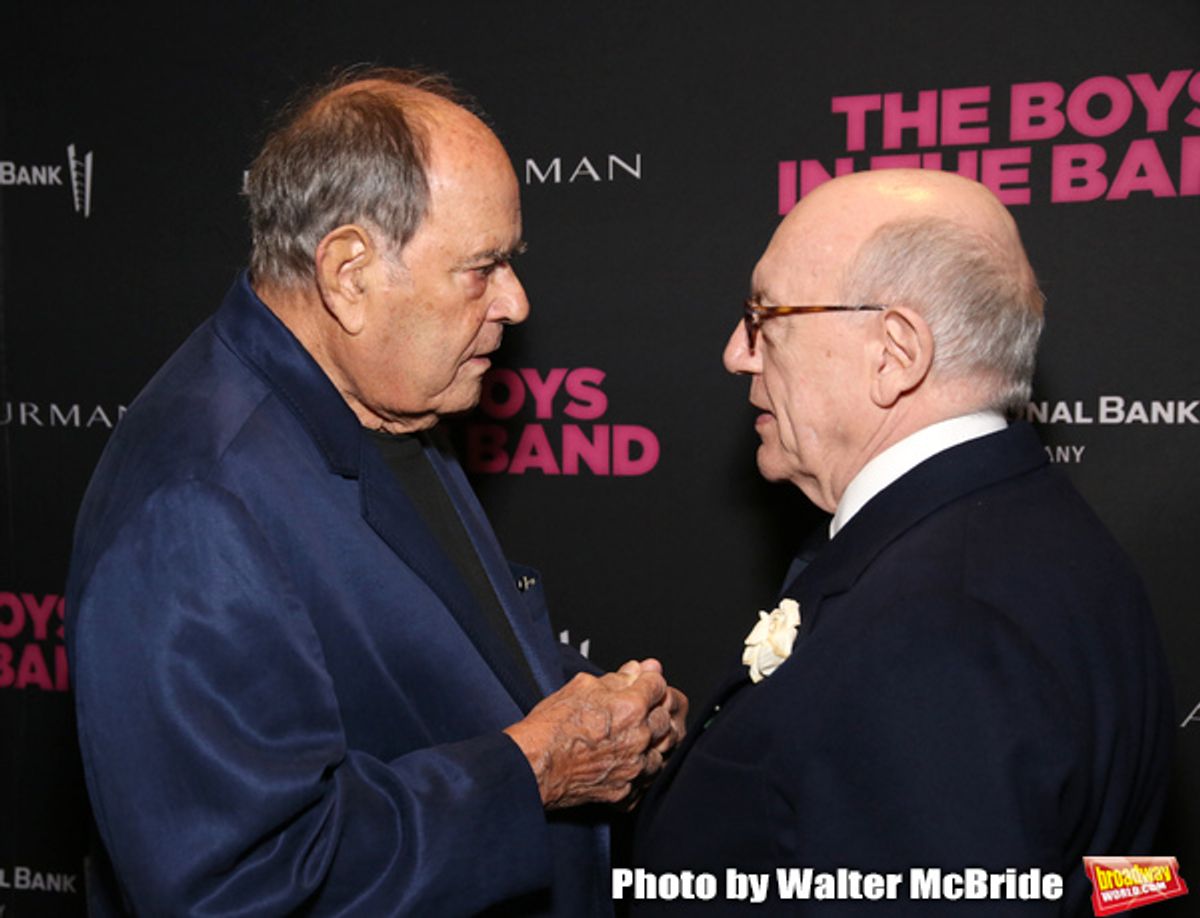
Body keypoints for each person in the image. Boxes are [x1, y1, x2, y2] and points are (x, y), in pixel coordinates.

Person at [65, 68, 686, 917]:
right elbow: (238, 887)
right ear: (349, 273)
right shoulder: (195, 501)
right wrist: (534, 769)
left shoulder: (389, 398)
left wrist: (603, 713)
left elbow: (428, 666)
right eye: (483, 267)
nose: (515, 301)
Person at [631, 169, 1173, 915]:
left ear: (894, 351)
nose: (737, 353)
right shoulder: (1031, 531)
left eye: (766, 315)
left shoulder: (938, 626)